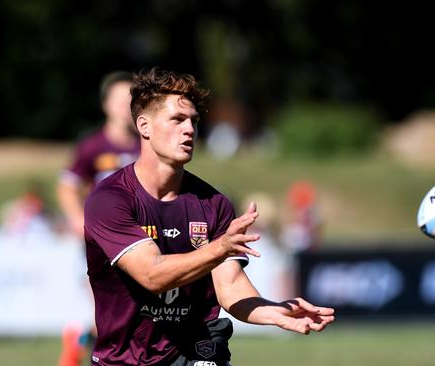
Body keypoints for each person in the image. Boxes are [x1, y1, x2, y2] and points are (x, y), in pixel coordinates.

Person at [83, 68, 335, 366]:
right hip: (123, 357)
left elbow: (230, 290)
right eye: (177, 120)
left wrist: (275, 311)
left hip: (195, 349)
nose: (189, 129)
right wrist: (218, 248)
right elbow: (151, 275)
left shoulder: (213, 203)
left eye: (193, 121)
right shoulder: (110, 199)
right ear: (144, 126)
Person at [57, 71, 139, 366]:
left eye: (131, 100)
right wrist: (80, 221)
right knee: (110, 314)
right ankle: (77, 342)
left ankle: (78, 339)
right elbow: (67, 185)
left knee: (126, 319)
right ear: (106, 104)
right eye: (119, 100)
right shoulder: (93, 146)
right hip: (103, 245)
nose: (125, 107)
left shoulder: (147, 145)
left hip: (141, 244)